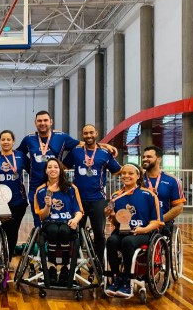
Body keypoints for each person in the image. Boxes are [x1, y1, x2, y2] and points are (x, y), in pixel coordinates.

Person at [62, 124, 121, 264]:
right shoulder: (76, 151)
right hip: (78, 200)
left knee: (99, 234)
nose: (88, 135)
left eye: (91, 133)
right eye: (85, 133)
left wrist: (137, 171)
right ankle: (74, 264)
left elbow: (117, 170)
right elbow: (64, 166)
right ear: (82, 135)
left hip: (98, 200)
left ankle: (99, 263)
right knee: (75, 232)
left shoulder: (104, 153)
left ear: (96, 133)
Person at [104, 163, 163, 298]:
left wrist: (143, 230)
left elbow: (157, 222)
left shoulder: (148, 194)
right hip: (122, 231)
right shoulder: (116, 196)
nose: (126, 176)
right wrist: (112, 215)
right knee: (111, 241)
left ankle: (127, 280)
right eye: (124, 173)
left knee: (128, 242)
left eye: (130, 173)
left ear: (138, 176)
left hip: (143, 232)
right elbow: (115, 222)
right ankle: (116, 277)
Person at [18, 111, 82, 227]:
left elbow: (81, 144)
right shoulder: (29, 139)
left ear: (51, 122)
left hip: (59, 187)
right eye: (39, 121)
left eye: (45, 120)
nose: (43, 123)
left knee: (60, 221)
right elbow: (16, 155)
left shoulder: (61, 137)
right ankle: (41, 244)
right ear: (35, 123)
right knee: (39, 223)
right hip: (36, 187)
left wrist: (104, 145)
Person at [34, 158, 83, 287]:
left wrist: (75, 220)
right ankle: (51, 267)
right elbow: (42, 217)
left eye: (55, 167)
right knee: (53, 230)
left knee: (64, 230)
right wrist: (48, 206)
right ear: (46, 171)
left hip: (67, 222)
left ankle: (66, 268)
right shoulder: (41, 190)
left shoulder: (71, 188)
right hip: (49, 222)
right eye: (49, 167)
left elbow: (79, 211)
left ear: (60, 170)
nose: (53, 169)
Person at [0, 130, 28, 258]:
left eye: (8, 139)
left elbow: (34, 171)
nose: (6, 142)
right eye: (3, 139)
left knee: (12, 231)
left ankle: (8, 258)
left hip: (18, 201)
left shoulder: (21, 156)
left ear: (13, 141)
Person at [141, 145, 186, 236]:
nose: (145, 159)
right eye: (144, 157)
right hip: (140, 221)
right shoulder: (137, 179)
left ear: (158, 159)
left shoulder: (172, 180)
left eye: (149, 157)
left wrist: (159, 220)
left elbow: (179, 207)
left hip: (162, 223)